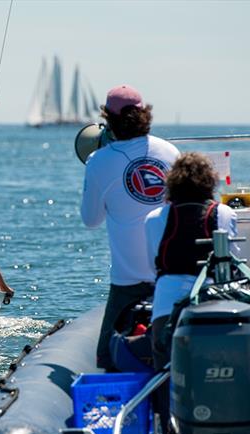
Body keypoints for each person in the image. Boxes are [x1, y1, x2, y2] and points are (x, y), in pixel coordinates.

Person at [80, 84, 180, 370]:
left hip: (128, 281)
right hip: (170, 276)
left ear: (108, 121)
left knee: (107, 359)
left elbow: (91, 220)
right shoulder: (170, 151)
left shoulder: (99, 161)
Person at [144, 152, 238, 434]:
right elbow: (232, 263)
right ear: (209, 182)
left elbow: (153, 266)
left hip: (166, 309)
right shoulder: (224, 214)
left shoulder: (153, 218)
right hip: (214, 308)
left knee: (165, 372)